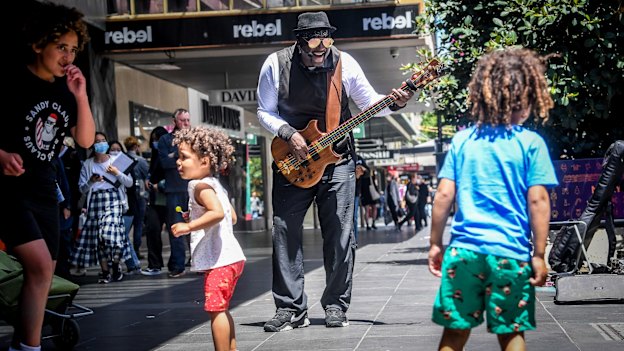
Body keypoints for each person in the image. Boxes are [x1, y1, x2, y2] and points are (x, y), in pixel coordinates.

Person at [256, 11, 414, 331]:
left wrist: (397, 101)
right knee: (285, 233)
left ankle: (335, 305)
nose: (319, 54)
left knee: (341, 235)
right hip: (292, 159)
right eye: (313, 48)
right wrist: (288, 133)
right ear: (299, 42)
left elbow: (370, 102)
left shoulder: (345, 63)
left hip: (338, 160)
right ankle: (290, 309)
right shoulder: (275, 64)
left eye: (324, 46)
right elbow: (264, 111)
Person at [428, 48, 558, 351]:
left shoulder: (463, 140)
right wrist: (539, 254)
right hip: (509, 255)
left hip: (464, 253)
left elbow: (444, 195)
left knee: (454, 333)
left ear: (483, 95)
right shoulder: (531, 143)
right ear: (527, 97)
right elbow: (538, 201)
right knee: (511, 333)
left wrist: (435, 243)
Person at [0, 3, 95, 350]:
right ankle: (29, 347)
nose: (68, 56)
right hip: (9, 190)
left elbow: (85, 140)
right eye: (61, 47)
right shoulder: (11, 80)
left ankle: (24, 344)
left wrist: (81, 96)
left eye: (73, 49)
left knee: (43, 274)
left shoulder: (65, 91)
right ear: (39, 44)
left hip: (44, 189)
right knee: (40, 267)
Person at [170, 126, 246, 351]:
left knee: (216, 310)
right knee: (221, 308)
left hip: (220, 261)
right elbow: (231, 216)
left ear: (204, 161)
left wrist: (189, 225)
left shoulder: (198, 185)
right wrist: (198, 214)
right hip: (233, 259)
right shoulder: (215, 184)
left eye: (184, 157)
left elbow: (219, 214)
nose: (178, 162)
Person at [71, 132, 134, 284]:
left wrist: (116, 172)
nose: (101, 143)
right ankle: (105, 271)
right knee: (99, 238)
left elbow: (129, 183)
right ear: (92, 145)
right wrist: (91, 181)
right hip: (96, 201)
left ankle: (116, 265)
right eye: (97, 141)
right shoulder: (88, 164)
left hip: (114, 200)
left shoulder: (116, 160)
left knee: (111, 234)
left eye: (103, 140)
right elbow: (82, 189)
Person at [158, 108, 192, 278]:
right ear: (175, 122)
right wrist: (182, 156)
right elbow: (164, 162)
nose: (185, 123)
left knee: (199, 227)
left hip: (194, 188)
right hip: (175, 190)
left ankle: (200, 262)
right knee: (177, 228)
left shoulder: (195, 137)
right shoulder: (165, 139)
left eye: (187, 120)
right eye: (182, 120)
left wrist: (176, 156)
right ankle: (178, 265)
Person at [141, 126, 168, 275]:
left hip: (166, 197)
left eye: (157, 139)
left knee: (176, 232)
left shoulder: (166, 155)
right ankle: (155, 264)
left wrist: (160, 184)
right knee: (152, 229)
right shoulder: (155, 155)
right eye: (154, 140)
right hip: (155, 198)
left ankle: (163, 263)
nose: (155, 142)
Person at [124, 136, 150, 261]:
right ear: (135, 147)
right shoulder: (141, 161)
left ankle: (126, 248)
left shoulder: (123, 159)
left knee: (127, 224)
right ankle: (136, 249)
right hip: (140, 194)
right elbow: (146, 176)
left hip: (126, 194)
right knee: (138, 223)